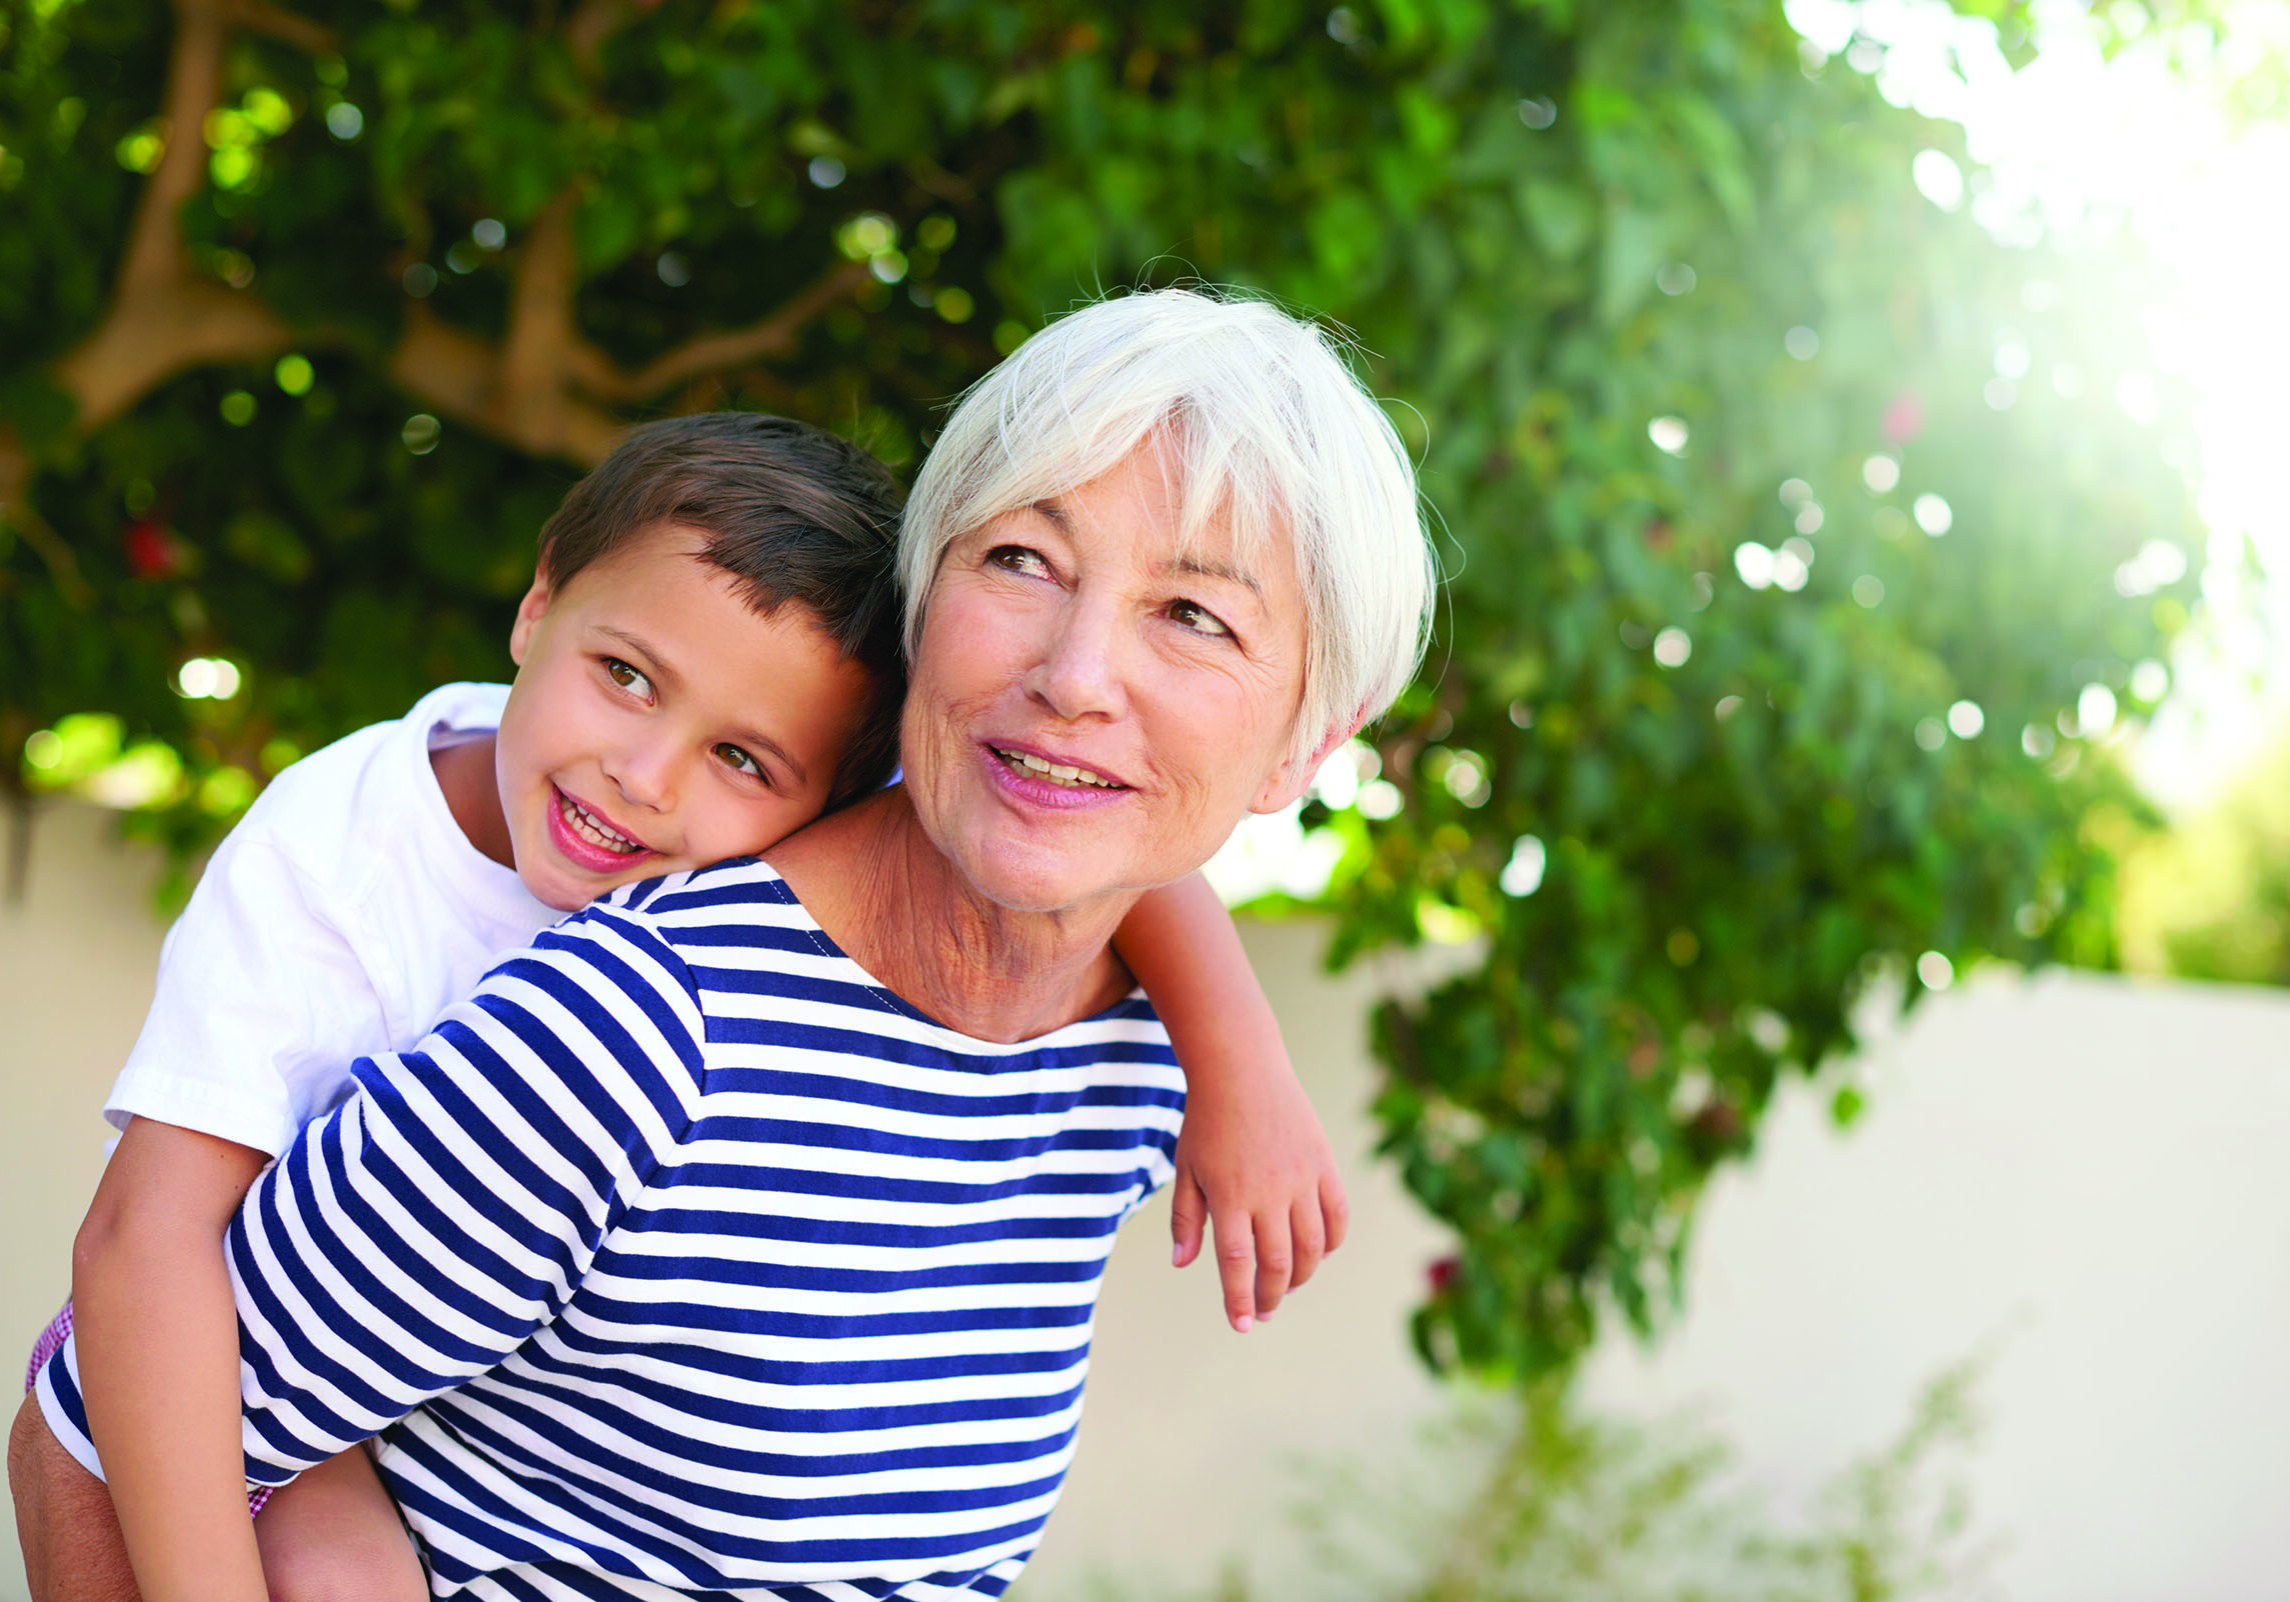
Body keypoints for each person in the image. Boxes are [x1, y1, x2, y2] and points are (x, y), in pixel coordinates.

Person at [7, 407, 1349, 1601]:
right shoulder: (347, 854)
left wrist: (1243, 1069)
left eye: (741, 756)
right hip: (214, 1340)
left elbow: (1101, 849)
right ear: (537, 608)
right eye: (627, 676)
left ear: (831, 796)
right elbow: (142, 1246)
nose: (645, 778)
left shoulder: (833, 880)